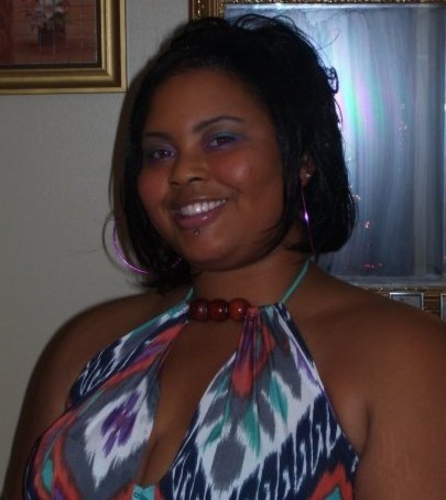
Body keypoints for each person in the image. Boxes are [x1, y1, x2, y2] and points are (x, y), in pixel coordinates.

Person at [3, 13, 446, 500]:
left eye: (221, 139)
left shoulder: (408, 357)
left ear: (302, 158)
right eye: (159, 152)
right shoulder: (84, 346)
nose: (183, 172)